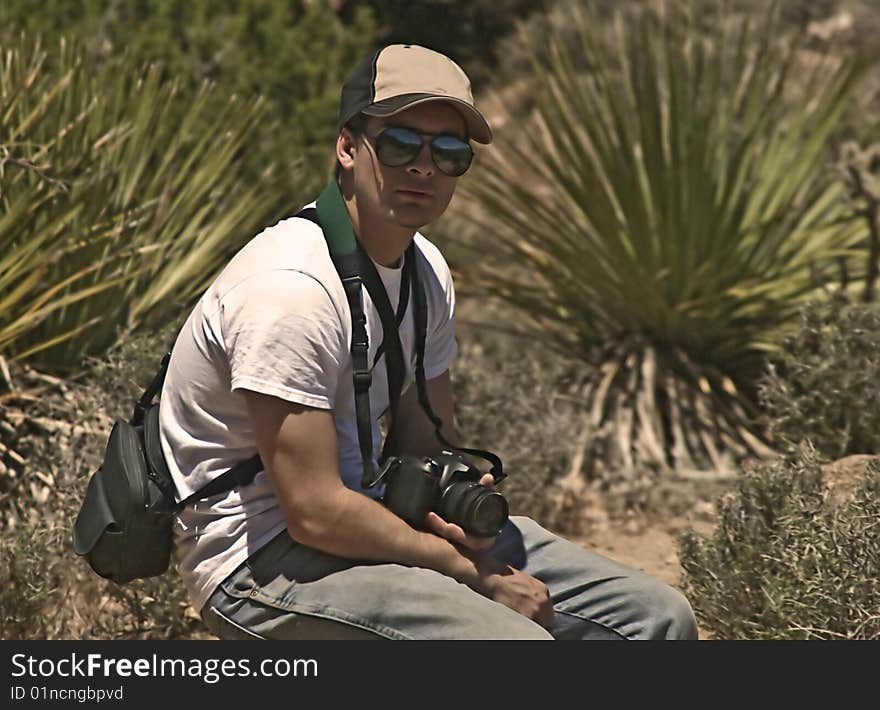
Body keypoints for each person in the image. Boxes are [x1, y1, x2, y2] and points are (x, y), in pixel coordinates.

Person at [159, 44, 699, 640]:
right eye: (399, 144)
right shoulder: (290, 292)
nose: (424, 168)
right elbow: (312, 512)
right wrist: (476, 576)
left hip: (373, 522)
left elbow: (425, 439)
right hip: (259, 561)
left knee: (658, 618)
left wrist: (455, 494)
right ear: (347, 147)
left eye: (448, 153)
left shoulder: (424, 273)